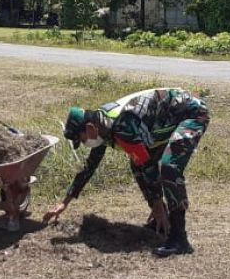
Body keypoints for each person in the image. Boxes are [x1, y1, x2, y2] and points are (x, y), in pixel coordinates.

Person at [43, 88, 211, 257]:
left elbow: (146, 164)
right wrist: (65, 202)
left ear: (90, 128)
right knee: (137, 164)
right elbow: (90, 166)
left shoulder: (122, 125)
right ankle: (160, 222)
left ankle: (179, 238)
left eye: (82, 139)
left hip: (191, 113)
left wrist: (157, 202)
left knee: (169, 167)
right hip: (162, 122)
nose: (85, 143)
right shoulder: (101, 125)